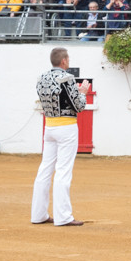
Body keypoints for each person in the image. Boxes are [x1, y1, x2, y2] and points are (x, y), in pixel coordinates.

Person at [31, 47, 90, 226]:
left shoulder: (42, 78)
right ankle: (63, 216)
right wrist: (83, 92)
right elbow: (78, 106)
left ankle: (38, 214)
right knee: (63, 171)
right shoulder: (67, 78)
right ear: (64, 61)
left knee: (45, 170)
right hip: (66, 128)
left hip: (49, 127)